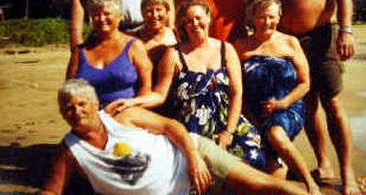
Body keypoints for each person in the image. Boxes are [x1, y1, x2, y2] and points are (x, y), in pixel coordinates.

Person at [41, 78, 309, 195]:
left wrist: (193, 159)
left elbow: (171, 126)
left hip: (194, 154)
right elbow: (52, 190)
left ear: (94, 103)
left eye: (81, 104)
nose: (75, 112)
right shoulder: (69, 151)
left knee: (259, 186)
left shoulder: (123, 117)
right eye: (68, 108)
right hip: (182, 191)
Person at [268, 0, 360, 195]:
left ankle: (347, 174)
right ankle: (323, 164)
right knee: (307, 105)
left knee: (332, 103)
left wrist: (345, 29)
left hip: (322, 35)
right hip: (290, 43)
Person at [138, 0, 268, 172]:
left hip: (228, 122)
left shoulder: (226, 49)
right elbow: (160, 95)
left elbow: (237, 93)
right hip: (193, 129)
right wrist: (131, 104)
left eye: (198, 18)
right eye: (189, 21)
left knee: (254, 159)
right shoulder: (173, 55)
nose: (195, 24)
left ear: (208, 18)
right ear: (183, 26)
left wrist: (228, 133)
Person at [235, 0, 320, 195]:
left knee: (276, 134)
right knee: (271, 170)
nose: (267, 22)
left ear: (279, 16)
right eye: (262, 16)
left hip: (289, 108)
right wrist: (249, 117)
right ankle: (279, 166)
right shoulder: (240, 46)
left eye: (272, 16)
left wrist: (283, 103)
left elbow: (305, 84)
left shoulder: (290, 43)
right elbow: (237, 89)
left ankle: (311, 185)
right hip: (254, 113)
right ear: (252, 17)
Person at [66, 0, 153, 115]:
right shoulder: (80, 51)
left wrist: (134, 111)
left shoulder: (134, 46)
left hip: (127, 114)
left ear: (119, 17)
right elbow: (69, 89)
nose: (101, 19)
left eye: (107, 14)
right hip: (89, 117)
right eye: (96, 14)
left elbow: (146, 87)